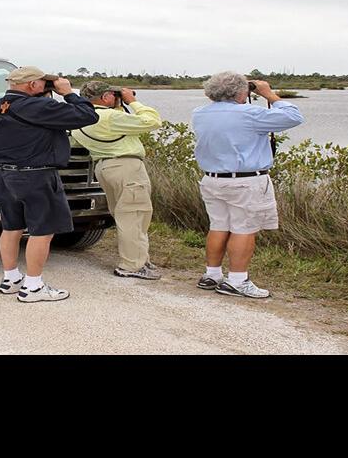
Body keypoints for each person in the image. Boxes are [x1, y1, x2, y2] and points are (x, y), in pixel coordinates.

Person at [0, 66, 99, 303]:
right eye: (43, 82)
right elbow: (88, 116)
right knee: (42, 232)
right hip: (34, 176)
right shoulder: (38, 107)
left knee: (11, 228)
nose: (47, 86)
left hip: (2, 175)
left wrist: (47, 96)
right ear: (32, 85)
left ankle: (11, 279)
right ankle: (34, 286)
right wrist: (68, 93)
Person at [191, 71, 304, 298]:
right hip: (246, 181)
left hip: (212, 180)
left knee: (219, 226)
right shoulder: (251, 114)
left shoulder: (200, 113)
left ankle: (212, 275)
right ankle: (237, 280)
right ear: (241, 92)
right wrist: (269, 94)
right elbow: (294, 117)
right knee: (244, 229)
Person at [70, 81, 163, 280]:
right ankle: (132, 266)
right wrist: (133, 101)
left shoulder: (79, 119)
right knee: (135, 216)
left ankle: (138, 259)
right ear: (105, 97)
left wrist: (119, 104)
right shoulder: (110, 117)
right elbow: (153, 121)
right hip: (126, 168)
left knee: (125, 216)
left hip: (104, 168)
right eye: (113, 94)